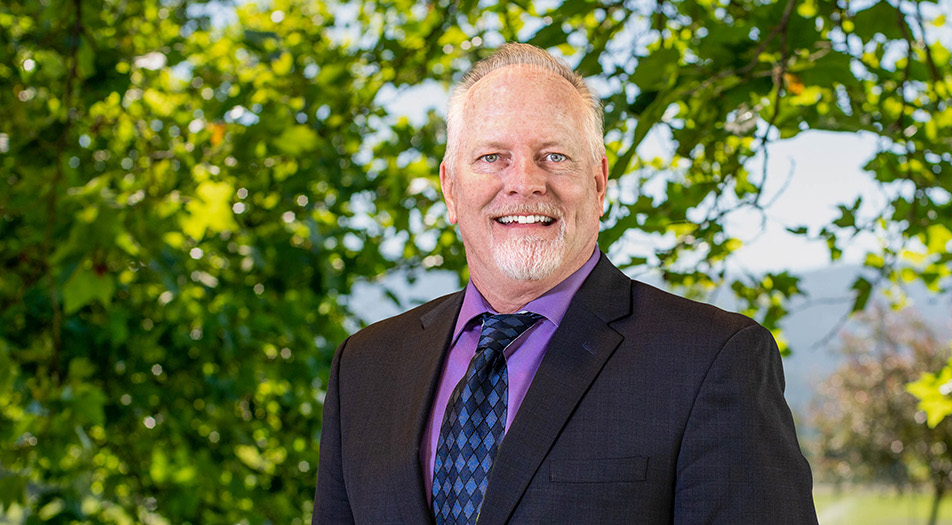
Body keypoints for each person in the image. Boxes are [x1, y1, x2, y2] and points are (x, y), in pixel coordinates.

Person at [312, 43, 817, 524]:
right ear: (450, 187)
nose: (526, 182)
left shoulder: (712, 359)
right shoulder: (364, 365)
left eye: (554, 156)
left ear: (598, 185)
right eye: (493, 157)